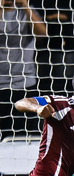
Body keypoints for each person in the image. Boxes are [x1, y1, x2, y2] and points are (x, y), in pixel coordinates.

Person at [0, 0, 47, 138]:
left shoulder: (26, 11)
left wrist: (25, 5)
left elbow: (42, 34)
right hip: (1, 83)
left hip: (25, 81)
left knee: (24, 134)